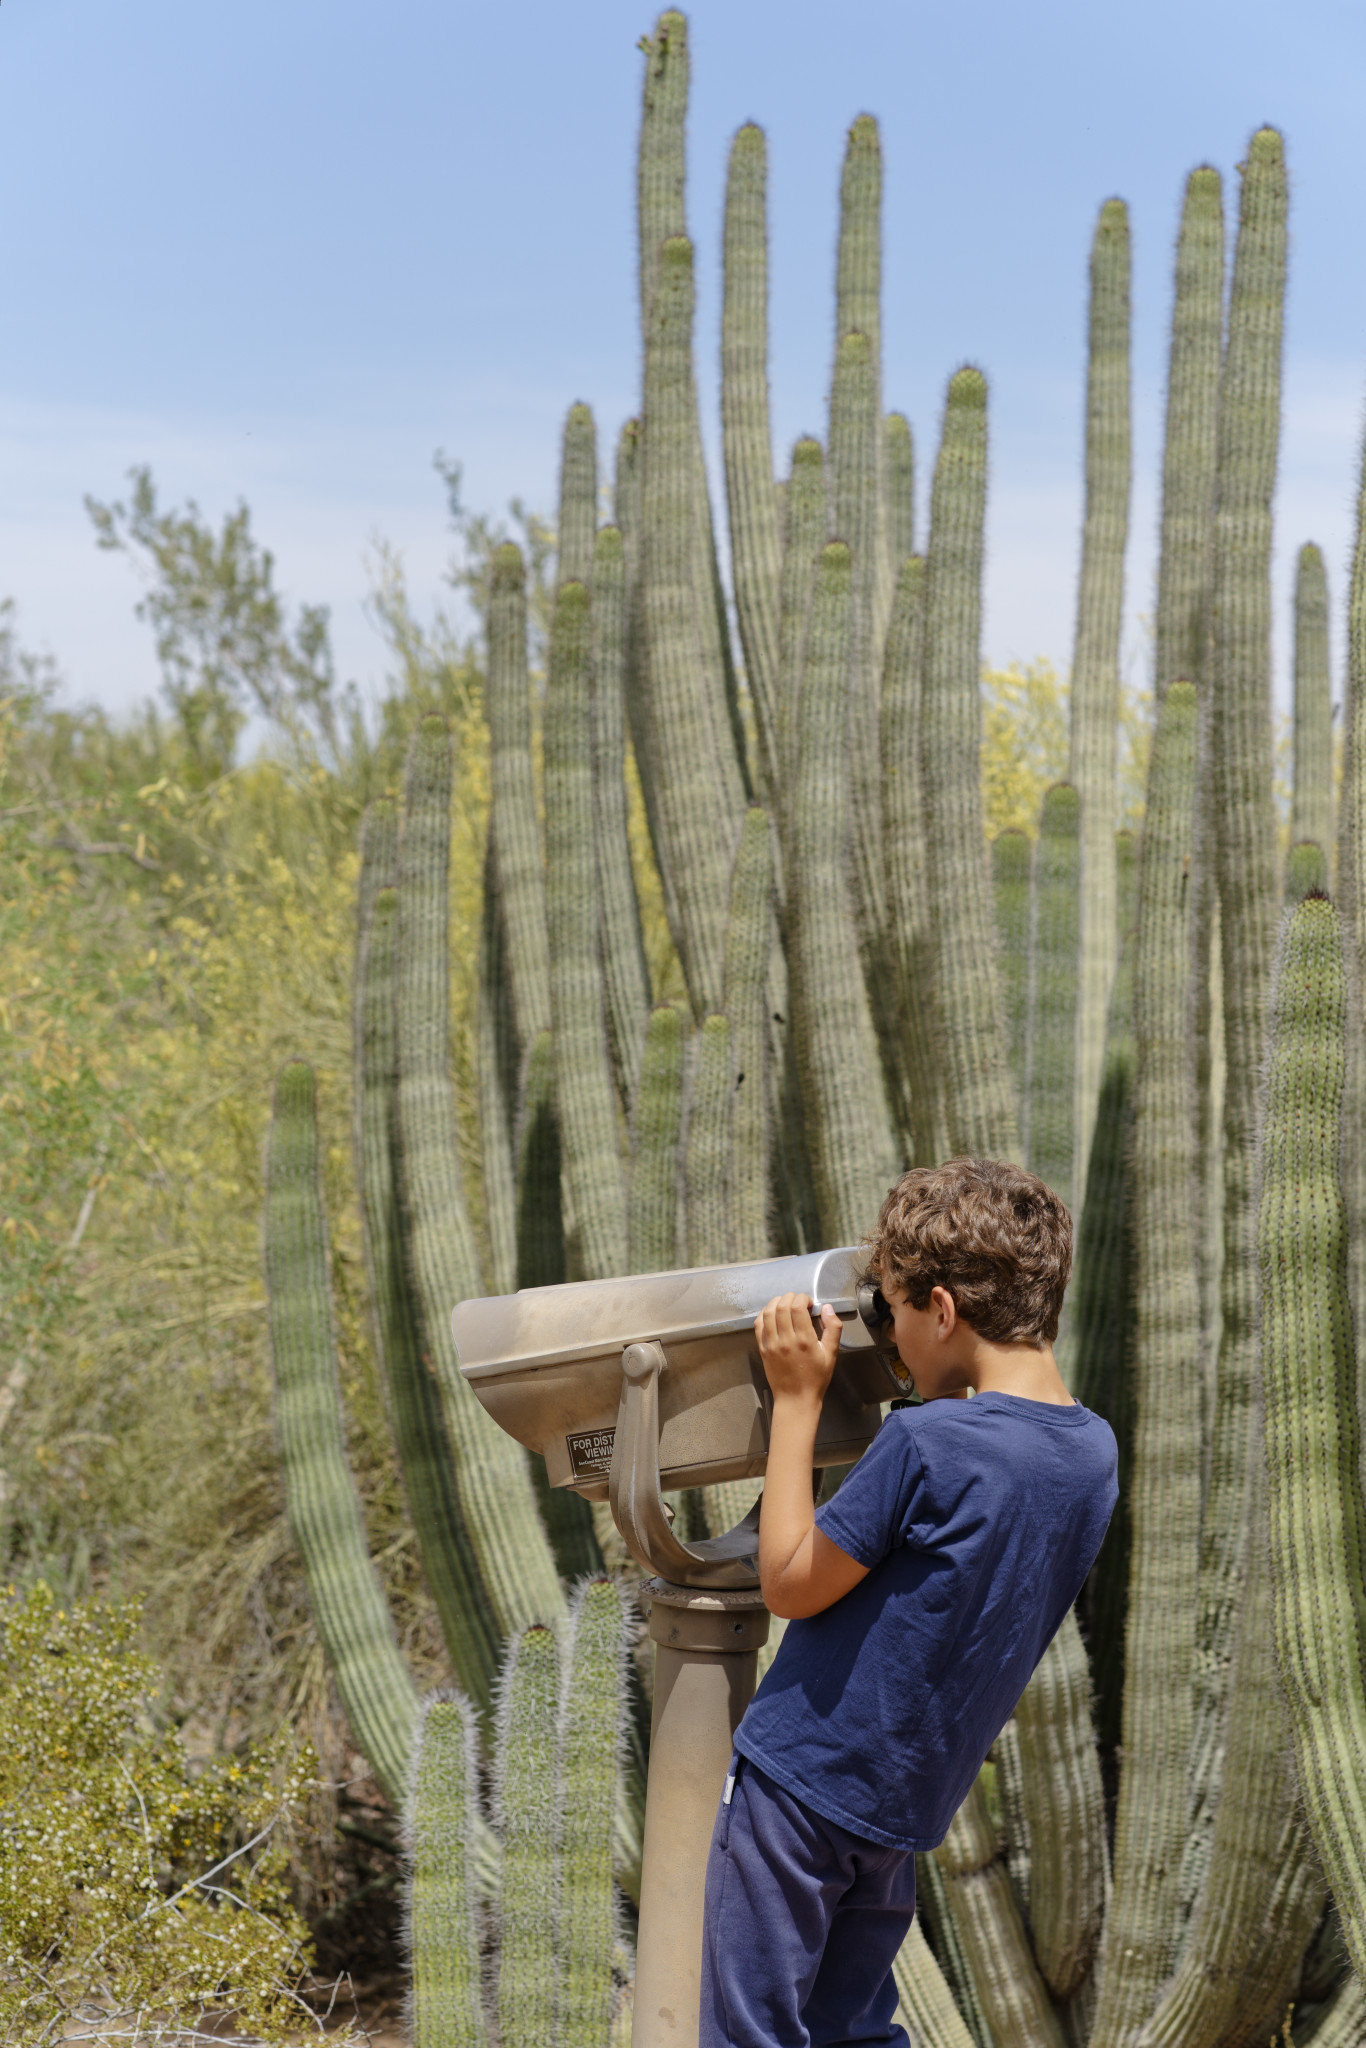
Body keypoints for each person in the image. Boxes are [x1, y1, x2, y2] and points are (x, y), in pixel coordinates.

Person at [700, 1157, 1118, 2048]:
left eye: (889, 1310)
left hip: (798, 1785)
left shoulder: (929, 1444)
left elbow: (789, 1580)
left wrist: (798, 1401)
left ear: (943, 1310)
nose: (886, 1340)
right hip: (901, 1805)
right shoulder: (1093, 1455)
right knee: (853, 2028)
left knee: (750, 2028)